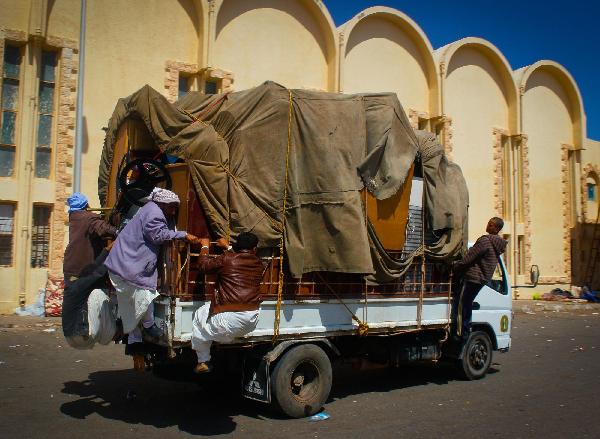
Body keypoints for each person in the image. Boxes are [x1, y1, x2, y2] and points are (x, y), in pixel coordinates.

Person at [104, 187, 198, 345]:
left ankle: (133, 335)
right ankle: (148, 326)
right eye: (172, 207)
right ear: (163, 204)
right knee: (145, 295)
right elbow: (158, 236)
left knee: (133, 300)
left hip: (124, 263)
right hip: (129, 265)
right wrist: (183, 234)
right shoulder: (154, 213)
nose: (174, 212)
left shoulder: (149, 208)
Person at [191, 232, 264, 373]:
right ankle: (224, 340)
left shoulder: (226, 259)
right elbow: (238, 260)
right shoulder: (258, 263)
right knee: (217, 326)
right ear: (254, 249)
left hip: (228, 322)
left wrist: (205, 247)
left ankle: (203, 361)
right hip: (251, 321)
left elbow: (204, 267)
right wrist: (228, 248)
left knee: (199, 315)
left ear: (237, 245)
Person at [453, 217, 507, 338]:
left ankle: (461, 333)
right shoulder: (497, 244)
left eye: (491, 225)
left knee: (461, 304)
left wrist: (455, 267)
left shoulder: (485, 241)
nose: (488, 225)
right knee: (467, 303)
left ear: (497, 229)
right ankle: (465, 330)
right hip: (482, 279)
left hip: (472, 277)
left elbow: (469, 258)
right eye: (488, 223)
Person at [63, 192, 117, 288]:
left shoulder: (73, 216)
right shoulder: (89, 218)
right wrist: (118, 231)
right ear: (86, 205)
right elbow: (103, 228)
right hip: (83, 268)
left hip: (70, 267)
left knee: (75, 298)